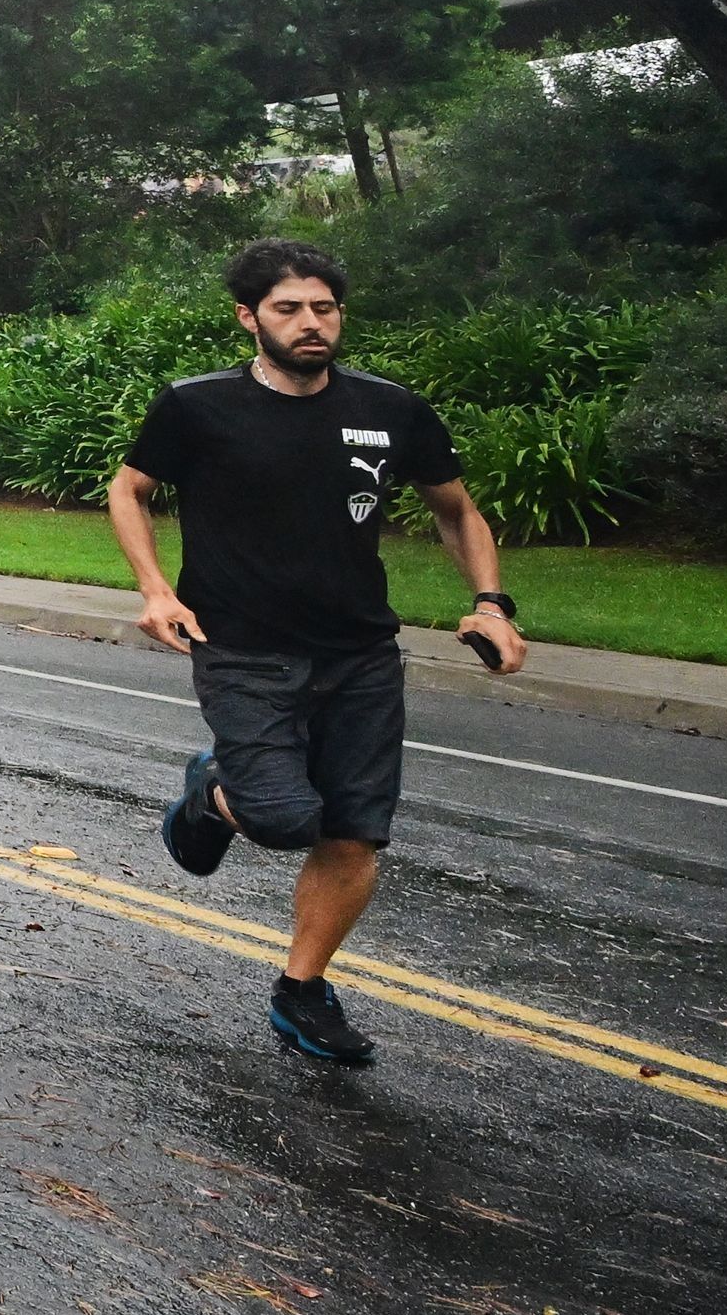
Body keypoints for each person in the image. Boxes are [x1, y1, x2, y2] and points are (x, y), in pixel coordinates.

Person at [108, 237, 526, 1066]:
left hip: (361, 653)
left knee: (353, 833)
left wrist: (489, 602)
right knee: (280, 817)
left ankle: (302, 993)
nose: (311, 324)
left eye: (324, 308)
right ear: (248, 317)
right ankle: (212, 792)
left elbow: (456, 509)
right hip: (241, 647)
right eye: (289, 309)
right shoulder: (197, 406)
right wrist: (157, 588)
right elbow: (130, 489)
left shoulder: (390, 408)